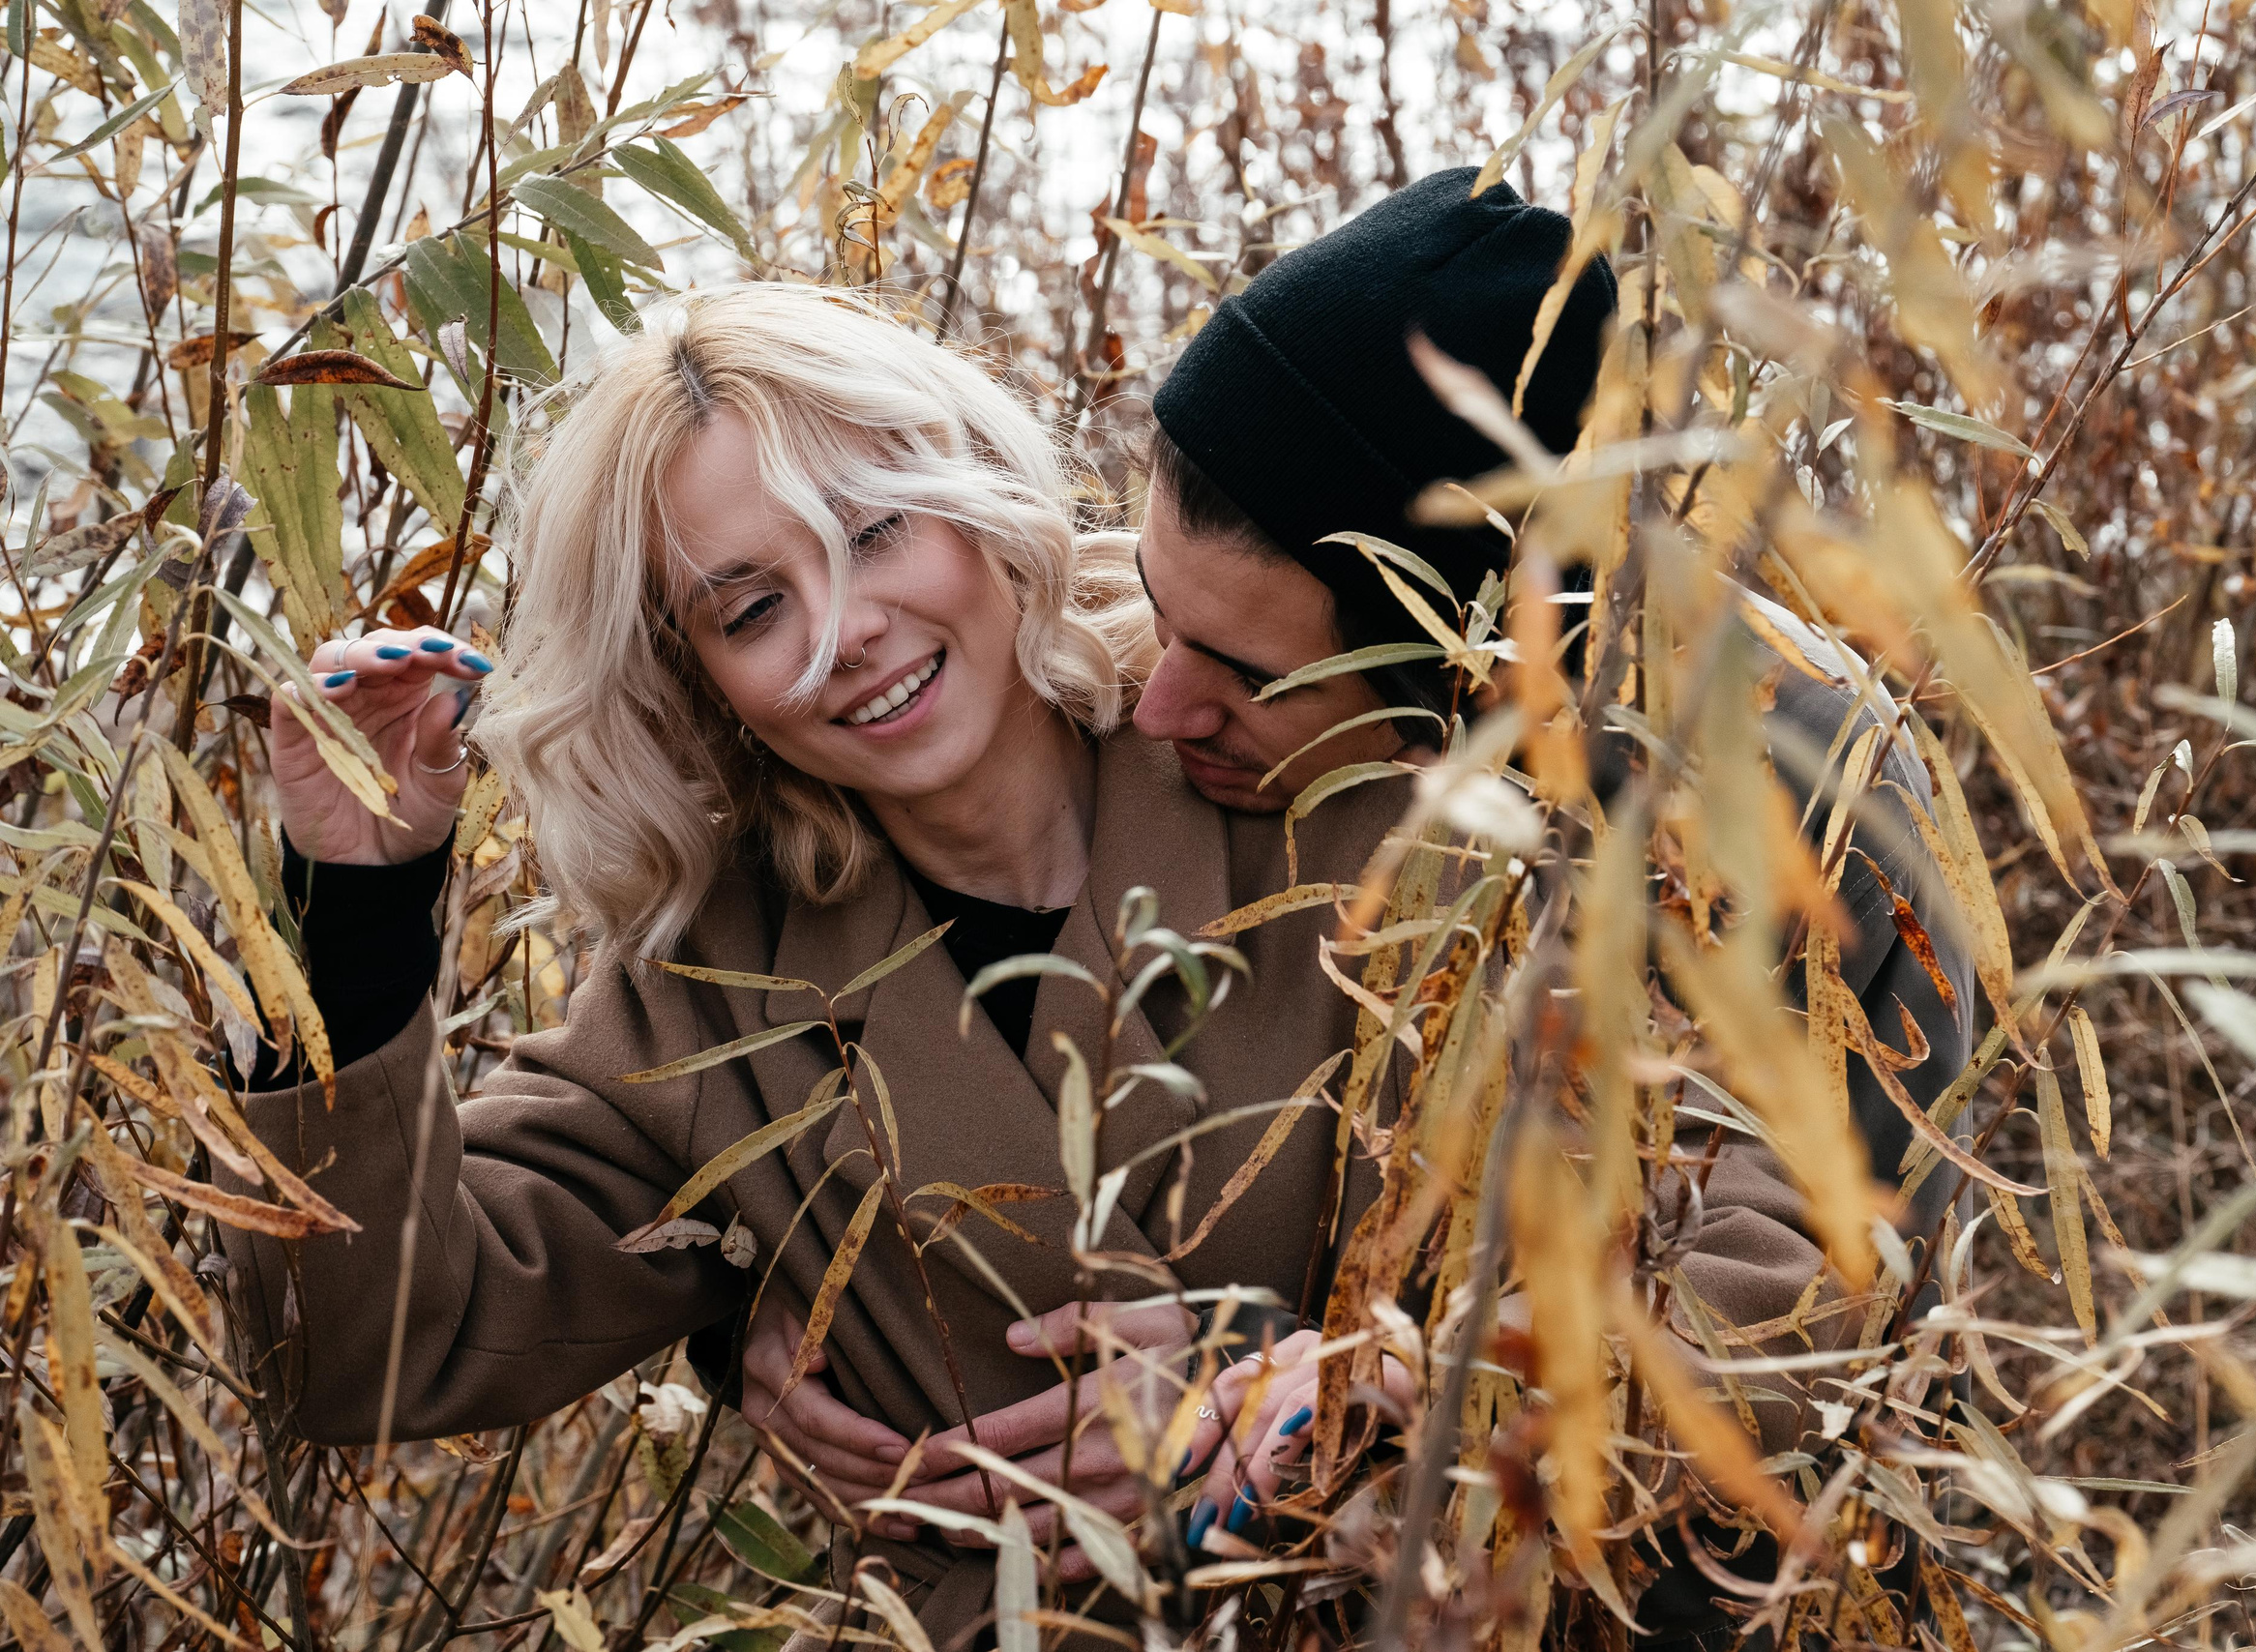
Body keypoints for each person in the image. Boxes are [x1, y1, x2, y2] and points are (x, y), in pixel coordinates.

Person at [747, 168, 1978, 1634]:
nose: (1155, 702)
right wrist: (818, 1279)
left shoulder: (1811, 819)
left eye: (1248, 676)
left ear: (1465, 666)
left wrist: (1343, 1384)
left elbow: (1772, 1322)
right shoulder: (1257, 623)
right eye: (1157, 602)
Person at [223, 283, 1435, 1642]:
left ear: (974, 492)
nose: (844, 627)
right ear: (694, 682)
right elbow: (369, 1352)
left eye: (873, 531)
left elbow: (1705, 1260)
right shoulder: (716, 998)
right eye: (750, 610)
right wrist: (355, 910)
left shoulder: (1303, 744)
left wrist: (1345, 1379)